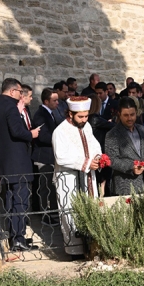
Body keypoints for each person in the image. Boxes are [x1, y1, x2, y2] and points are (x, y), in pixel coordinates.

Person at [0, 78, 40, 251]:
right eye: (19, 92)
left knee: (11, 199)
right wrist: (31, 134)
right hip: (17, 161)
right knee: (20, 200)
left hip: (5, 160)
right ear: (12, 91)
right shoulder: (10, 106)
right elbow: (16, 131)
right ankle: (18, 238)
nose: (20, 96)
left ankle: (15, 237)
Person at [52, 96, 104, 256]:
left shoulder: (87, 126)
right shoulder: (59, 131)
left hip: (88, 177)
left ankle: (92, 247)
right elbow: (60, 156)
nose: (84, 119)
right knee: (71, 211)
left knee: (91, 209)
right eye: (80, 116)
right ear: (70, 114)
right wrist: (86, 163)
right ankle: (74, 251)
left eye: (86, 116)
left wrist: (97, 157)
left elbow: (94, 144)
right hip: (68, 179)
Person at [105, 97, 144, 196]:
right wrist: (131, 167)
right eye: (126, 115)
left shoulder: (141, 129)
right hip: (124, 186)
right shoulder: (112, 134)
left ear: (136, 113)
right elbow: (111, 159)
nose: (129, 118)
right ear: (119, 115)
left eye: (132, 115)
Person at [31, 88, 60, 226]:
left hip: (50, 156)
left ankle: (53, 214)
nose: (57, 103)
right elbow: (43, 136)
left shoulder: (50, 113)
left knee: (50, 186)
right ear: (46, 101)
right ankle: (46, 215)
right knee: (45, 188)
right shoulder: (40, 115)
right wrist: (59, 139)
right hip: (44, 157)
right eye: (54, 100)